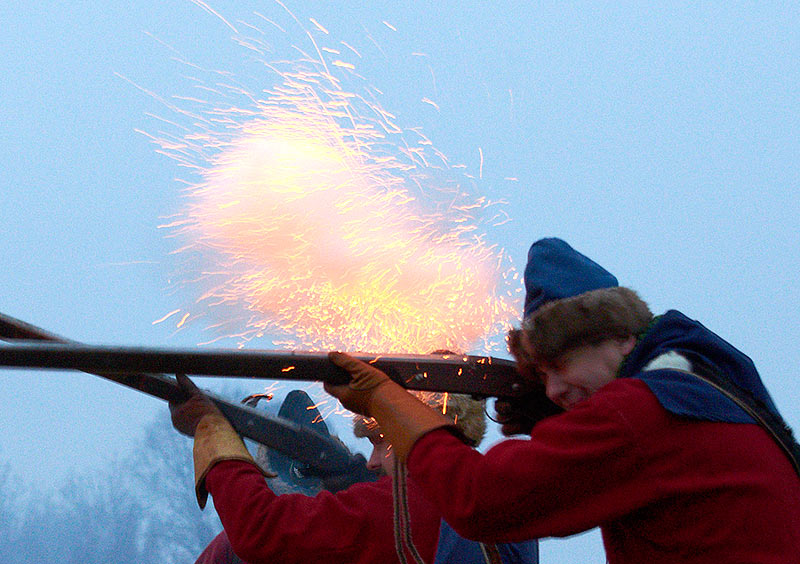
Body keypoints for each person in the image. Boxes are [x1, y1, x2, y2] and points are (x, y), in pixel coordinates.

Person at [325, 237, 800, 564]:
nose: (552, 390)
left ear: (616, 337)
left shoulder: (641, 413)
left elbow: (480, 500)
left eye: (559, 364)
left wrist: (386, 400)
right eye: (542, 374)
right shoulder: (702, 388)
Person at [171, 379, 539, 564]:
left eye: (383, 441)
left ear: (413, 434)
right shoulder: (498, 494)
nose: (373, 461)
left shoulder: (408, 507)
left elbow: (260, 530)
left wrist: (214, 433)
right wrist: (347, 480)